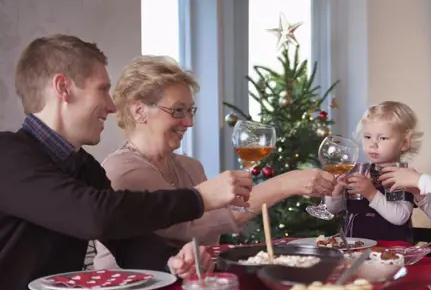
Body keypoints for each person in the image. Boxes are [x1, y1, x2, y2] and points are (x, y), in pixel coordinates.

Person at [0, 35, 247, 290]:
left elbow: (129, 241)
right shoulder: (6, 155)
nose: (111, 106)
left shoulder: (85, 167)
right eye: (102, 89)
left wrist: (171, 263)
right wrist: (199, 198)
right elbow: (95, 216)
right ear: (63, 88)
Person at [94, 56, 336, 268]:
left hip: (188, 288)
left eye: (191, 111)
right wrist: (286, 183)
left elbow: (210, 237)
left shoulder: (191, 166)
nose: (189, 122)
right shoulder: (122, 170)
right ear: (139, 111)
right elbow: (192, 225)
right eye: (178, 111)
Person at [324, 101, 422, 243]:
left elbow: (400, 217)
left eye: (382, 138)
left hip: (391, 251)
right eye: (367, 136)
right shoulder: (360, 171)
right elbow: (332, 210)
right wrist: (336, 191)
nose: (373, 144)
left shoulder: (402, 176)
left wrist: (371, 193)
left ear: (404, 143)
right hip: (355, 248)